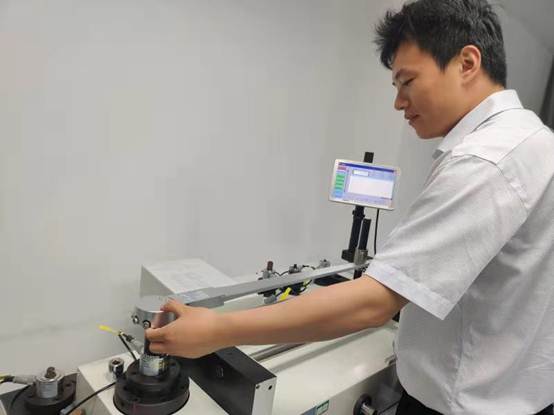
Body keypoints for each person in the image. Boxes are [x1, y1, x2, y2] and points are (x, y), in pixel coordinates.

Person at [146, 0, 554, 413]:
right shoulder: (535, 142)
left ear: (467, 63)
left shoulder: (485, 161)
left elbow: (373, 302)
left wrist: (218, 329)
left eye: (407, 81)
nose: (399, 102)